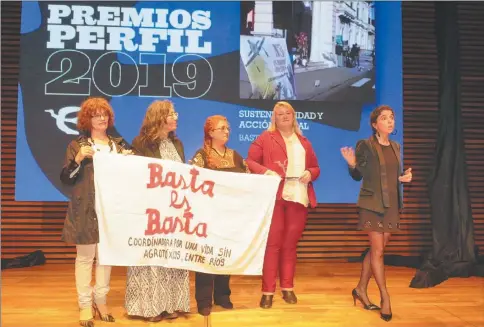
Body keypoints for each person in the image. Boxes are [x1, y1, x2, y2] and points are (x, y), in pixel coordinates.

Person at [60, 97, 132, 327]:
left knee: (106, 259)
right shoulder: (77, 146)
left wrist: (129, 163)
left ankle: (101, 301)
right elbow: (66, 178)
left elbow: (133, 179)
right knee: (84, 258)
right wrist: (79, 159)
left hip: (112, 210)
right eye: (96, 115)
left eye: (105, 114)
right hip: (86, 210)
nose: (102, 118)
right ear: (87, 119)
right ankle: (84, 305)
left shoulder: (119, 146)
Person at [340, 105, 413, 322]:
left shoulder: (396, 146)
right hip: (371, 205)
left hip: (391, 206)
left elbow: (390, 174)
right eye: (384, 118)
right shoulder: (366, 145)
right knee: (378, 252)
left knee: (375, 252)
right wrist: (353, 164)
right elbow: (358, 174)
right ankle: (385, 297)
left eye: (392, 118)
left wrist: (403, 177)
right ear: (375, 124)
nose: (390, 121)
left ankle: (361, 289)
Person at [246, 101, 320, 309]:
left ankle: (288, 288)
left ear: (294, 116)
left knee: (290, 245)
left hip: (298, 197)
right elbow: (250, 162)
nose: (285, 116)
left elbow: (315, 167)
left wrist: (310, 173)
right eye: (280, 114)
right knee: (273, 245)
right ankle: (267, 291)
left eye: (288, 113)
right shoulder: (265, 138)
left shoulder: (304, 142)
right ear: (274, 118)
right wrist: (266, 172)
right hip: (275, 197)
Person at [125, 100, 190, 322]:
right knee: (152, 256)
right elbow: (138, 177)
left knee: (172, 255)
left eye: (175, 114)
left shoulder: (177, 144)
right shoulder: (141, 143)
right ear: (159, 117)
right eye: (172, 114)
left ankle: (171, 303)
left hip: (174, 211)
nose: (176, 118)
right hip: (151, 210)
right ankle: (150, 306)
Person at [190, 115, 250, 316]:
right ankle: (204, 300)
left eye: (228, 128)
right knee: (206, 256)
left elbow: (248, 181)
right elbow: (192, 180)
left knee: (225, 254)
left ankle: (223, 296)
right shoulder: (202, 156)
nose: (227, 131)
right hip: (207, 216)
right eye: (222, 128)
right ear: (211, 132)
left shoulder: (235, 156)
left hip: (229, 215)